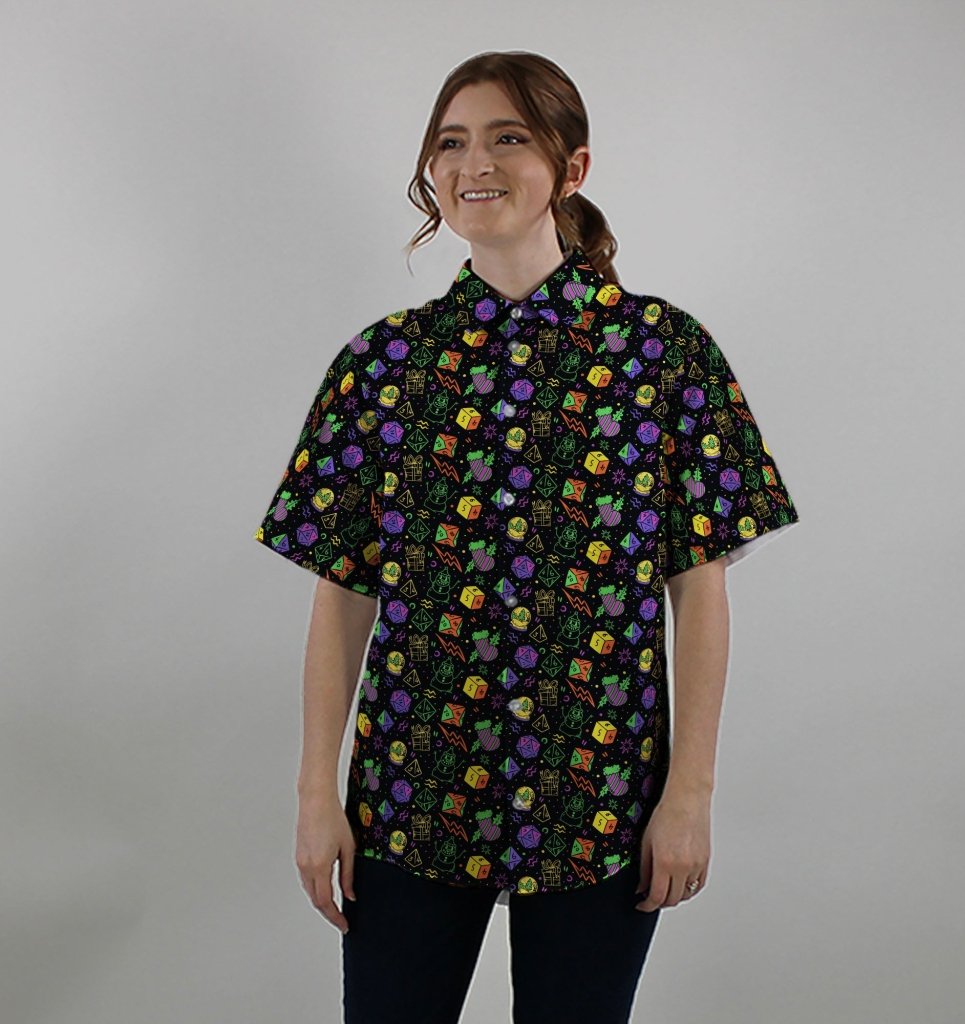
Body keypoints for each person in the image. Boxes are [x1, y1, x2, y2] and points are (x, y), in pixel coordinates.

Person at [253, 50, 800, 1024]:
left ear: (571, 167)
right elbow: (341, 594)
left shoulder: (663, 354)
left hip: (602, 791)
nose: (475, 163)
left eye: (508, 137)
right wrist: (313, 794)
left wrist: (689, 793)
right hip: (412, 792)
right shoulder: (384, 364)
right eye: (451, 142)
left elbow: (700, 589)